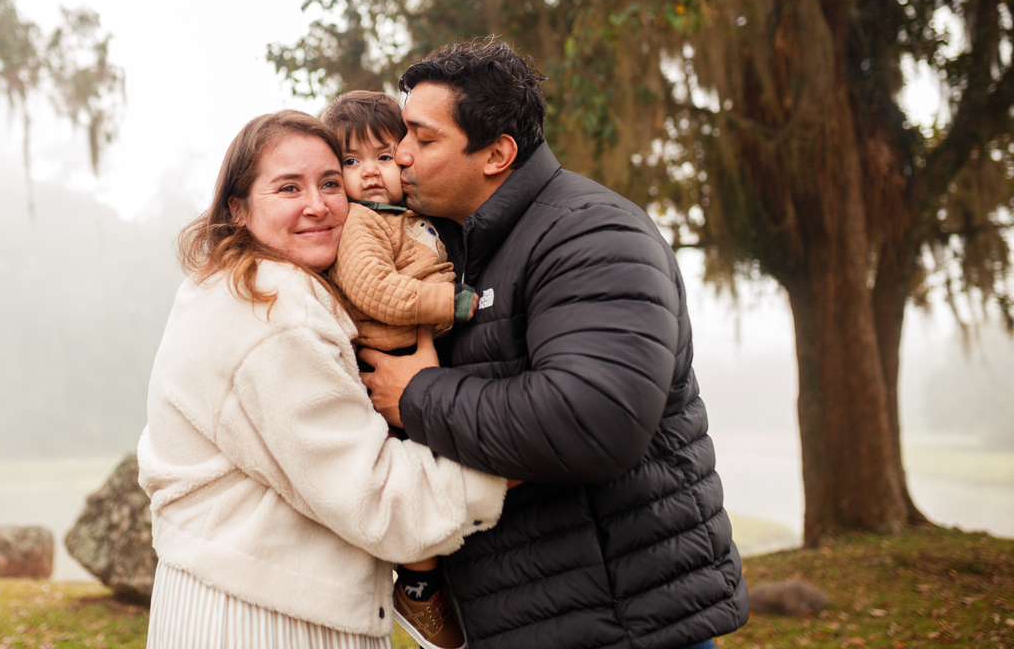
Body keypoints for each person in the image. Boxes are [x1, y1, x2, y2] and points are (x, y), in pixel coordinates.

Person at [362, 40, 751, 649]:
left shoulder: (592, 234)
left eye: (422, 138)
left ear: (497, 154)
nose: (400, 157)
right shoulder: (452, 248)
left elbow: (595, 420)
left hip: (623, 626)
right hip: (528, 619)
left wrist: (417, 394)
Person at [136, 110, 508, 649]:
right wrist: (525, 457)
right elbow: (373, 497)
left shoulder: (235, 286)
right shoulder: (273, 311)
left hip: (238, 598)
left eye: (331, 183)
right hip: (263, 619)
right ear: (237, 209)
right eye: (289, 187)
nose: (318, 204)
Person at [321, 91, 479, 649]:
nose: (369, 173)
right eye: (350, 161)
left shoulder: (414, 218)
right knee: (411, 478)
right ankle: (418, 584)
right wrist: (450, 304)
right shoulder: (362, 223)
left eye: (384, 157)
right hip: (385, 357)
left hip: (421, 353)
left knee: (441, 469)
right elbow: (372, 289)